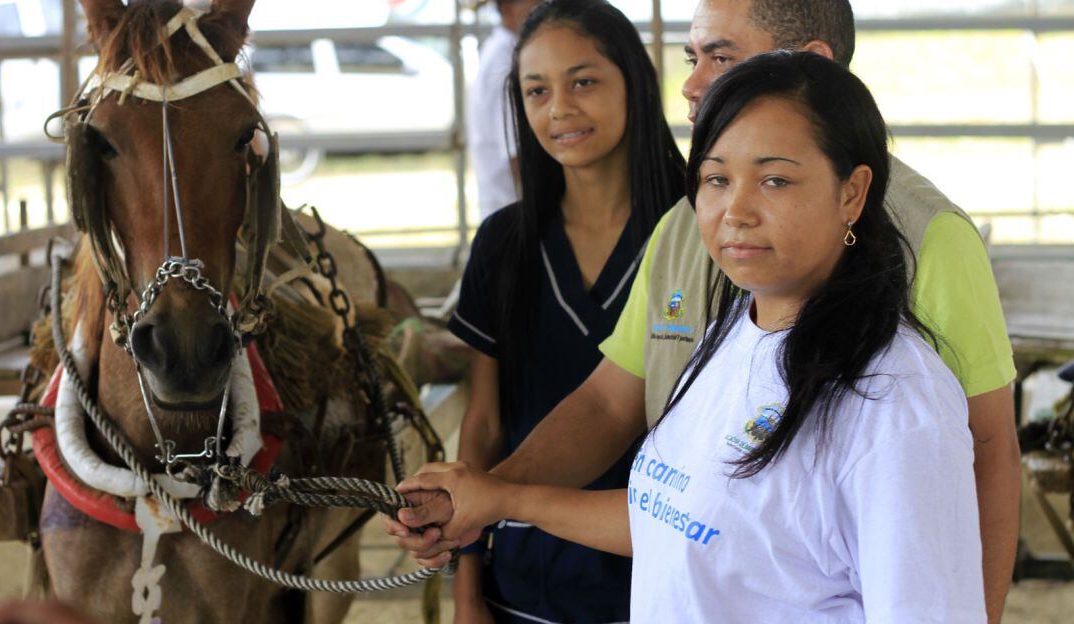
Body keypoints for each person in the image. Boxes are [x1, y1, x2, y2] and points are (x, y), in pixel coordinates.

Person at [391, 2, 1020, 619]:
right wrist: (493, 497)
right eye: (716, 179)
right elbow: (670, 497)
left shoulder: (910, 327)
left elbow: (983, 458)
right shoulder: (724, 314)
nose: (691, 85)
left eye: (720, 58)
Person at [444, 1, 685, 621]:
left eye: (583, 82)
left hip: (670, 577)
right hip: (528, 580)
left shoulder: (700, 233)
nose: (559, 109)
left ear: (635, 80)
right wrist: (467, 590)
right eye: (537, 91)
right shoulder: (503, 243)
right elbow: (483, 423)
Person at [467, 0, 541, 220]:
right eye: (535, 4)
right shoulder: (505, 58)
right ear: (507, 8)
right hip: (512, 208)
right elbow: (517, 151)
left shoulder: (506, 49)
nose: (544, 8)